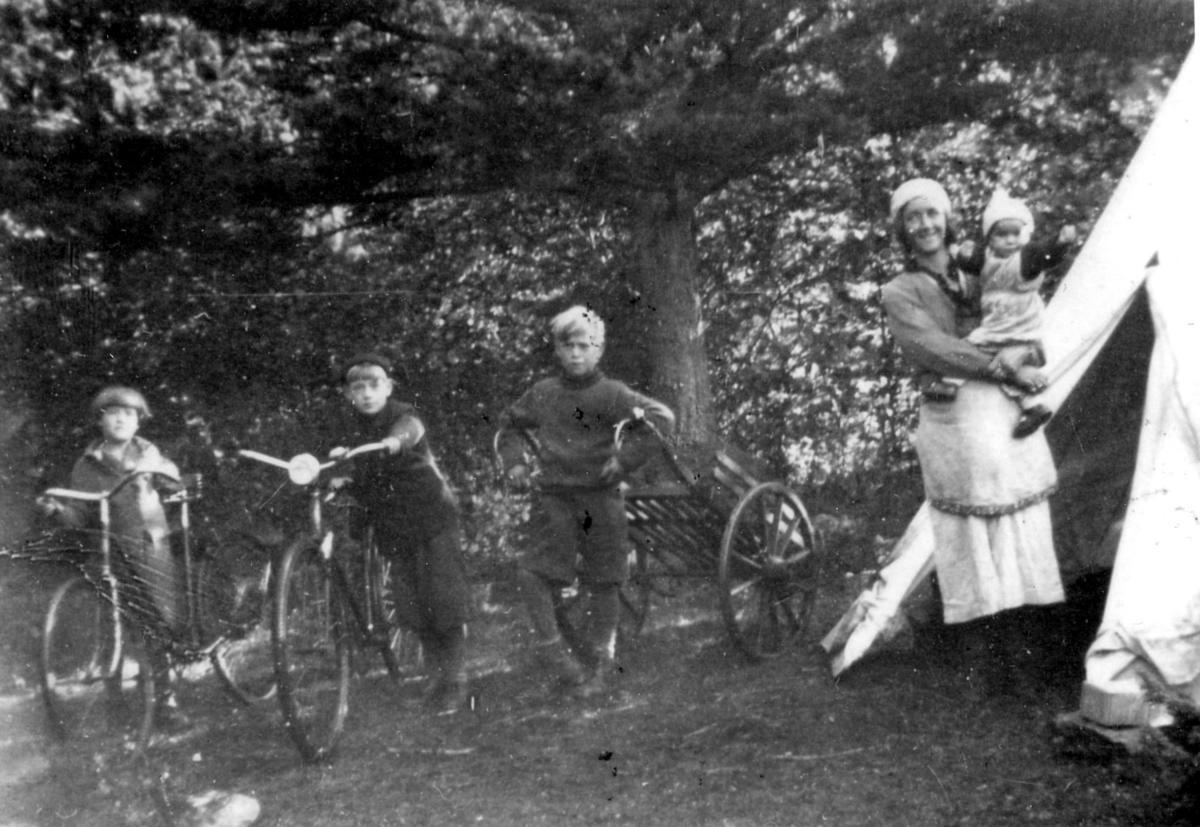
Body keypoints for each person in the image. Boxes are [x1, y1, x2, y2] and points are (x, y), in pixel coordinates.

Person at [880, 178, 1065, 695]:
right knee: (968, 539)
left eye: (931, 214)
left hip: (1005, 414)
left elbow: (1026, 317)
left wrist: (1026, 354)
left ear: (947, 219)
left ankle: (1024, 665)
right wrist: (1005, 366)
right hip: (954, 419)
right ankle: (978, 670)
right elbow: (933, 349)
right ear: (902, 230)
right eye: (913, 218)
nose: (925, 225)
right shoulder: (899, 292)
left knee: (1017, 530)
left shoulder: (985, 268)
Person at [496, 306, 675, 699]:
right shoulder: (544, 393)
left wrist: (624, 460)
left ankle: (602, 665)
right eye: (568, 346)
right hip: (555, 498)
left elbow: (661, 418)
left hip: (600, 496)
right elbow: (508, 426)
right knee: (531, 573)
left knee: (605, 580)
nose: (576, 354)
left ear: (599, 350)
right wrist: (515, 464)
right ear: (557, 350)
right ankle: (557, 658)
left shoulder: (612, 394)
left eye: (585, 346)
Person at [326, 352, 471, 715]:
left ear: (388, 387)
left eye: (374, 385)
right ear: (349, 394)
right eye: (358, 388)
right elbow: (362, 472)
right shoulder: (353, 427)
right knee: (413, 605)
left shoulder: (402, 415)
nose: (367, 394)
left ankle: (455, 679)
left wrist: (394, 441)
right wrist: (344, 477)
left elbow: (410, 430)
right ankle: (435, 676)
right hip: (393, 525)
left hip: (430, 516)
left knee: (443, 598)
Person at [38, 385, 190, 727]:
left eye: (129, 414)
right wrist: (58, 511)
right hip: (108, 552)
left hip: (148, 546)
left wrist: (164, 476)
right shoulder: (87, 465)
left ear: (139, 422)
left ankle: (166, 700)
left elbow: (172, 481)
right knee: (111, 622)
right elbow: (79, 515)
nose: (121, 419)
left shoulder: (148, 454)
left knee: (157, 619)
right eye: (113, 414)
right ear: (100, 421)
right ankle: (115, 702)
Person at [922, 189, 1077, 438]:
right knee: (992, 363)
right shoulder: (987, 258)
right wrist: (959, 254)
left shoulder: (1026, 258)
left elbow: (1044, 255)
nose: (1010, 240)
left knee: (983, 355)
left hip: (1020, 330)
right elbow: (972, 263)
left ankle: (950, 382)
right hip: (996, 328)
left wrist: (1060, 243)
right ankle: (1032, 406)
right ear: (990, 238)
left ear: (1024, 234)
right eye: (1001, 234)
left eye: (1015, 233)